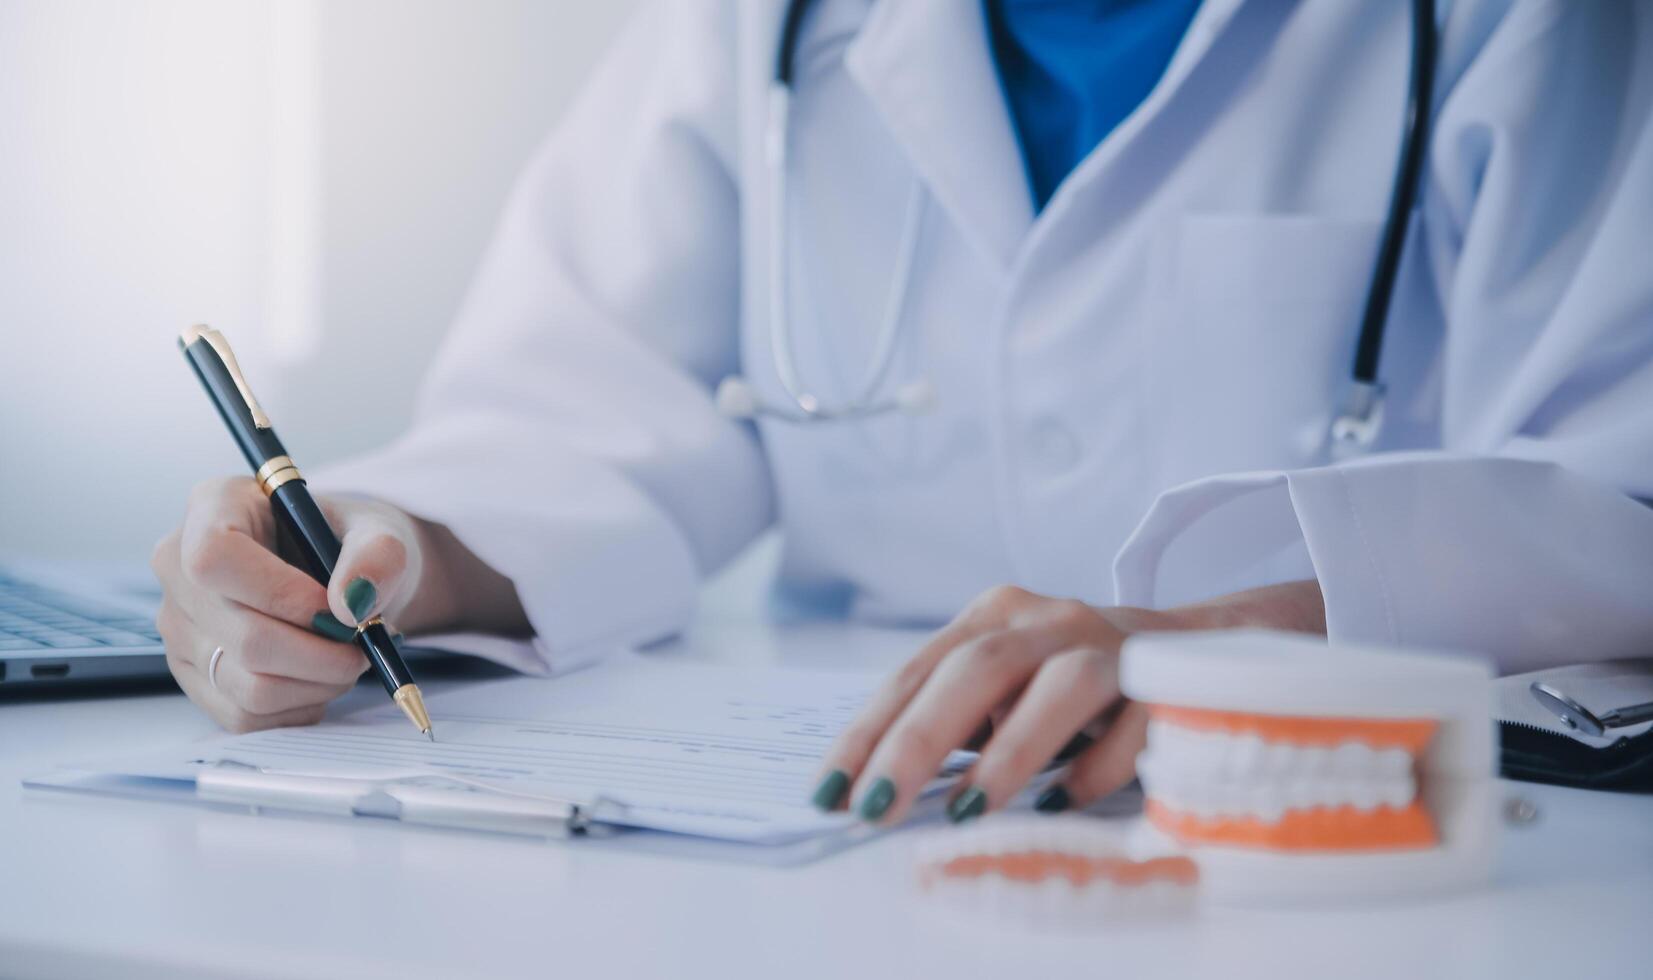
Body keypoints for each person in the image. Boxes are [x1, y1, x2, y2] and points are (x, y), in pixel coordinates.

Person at [151, 0, 1653, 827]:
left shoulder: (1525, 26)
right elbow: (580, 406)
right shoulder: (756, 31)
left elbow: (1621, 484)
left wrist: (1220, 643)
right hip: (843, 834)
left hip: (1345, 836)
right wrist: (378, 560)